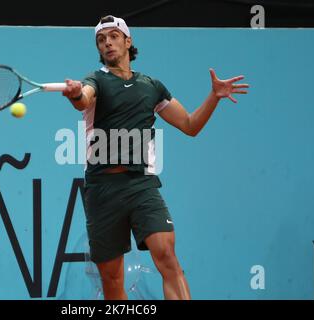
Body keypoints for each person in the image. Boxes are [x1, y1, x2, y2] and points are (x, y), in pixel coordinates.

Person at [62, 15, 249, 300]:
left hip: (142, 186)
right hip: (102, 190)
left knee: (167, 256)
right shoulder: (95, 80)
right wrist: (76, 94)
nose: (107, 43)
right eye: (101, 39)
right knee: (112, 280)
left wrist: (214, 96)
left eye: (113, 36)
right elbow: (84, 99)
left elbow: (189, 125)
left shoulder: (152, 86)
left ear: (128, 41)